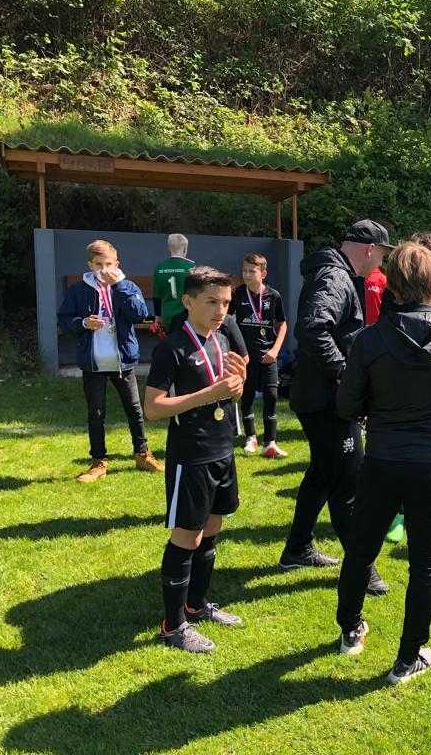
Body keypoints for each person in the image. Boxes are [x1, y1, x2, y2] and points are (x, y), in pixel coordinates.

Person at [334, 242, 431, 684]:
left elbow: (347, 404)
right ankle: (406, 657)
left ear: (394, 287)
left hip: (384, 460)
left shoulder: (369, 339)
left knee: (362, 550)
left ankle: (352, 631)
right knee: (424, 563)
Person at [280, 219, 393, 595]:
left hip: (320, 397)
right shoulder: (335, 277)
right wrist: (343, 372)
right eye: (382, 255)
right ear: (370, 249)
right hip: (327, 400)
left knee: (322, 473)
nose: (380, 264)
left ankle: (297, 548)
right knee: (348, 483)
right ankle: (362, 568)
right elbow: (312, 328)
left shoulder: (336, 274)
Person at [144, 266, 248, 653]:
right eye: (212, 302)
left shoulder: (221, 340)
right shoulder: (171, 349)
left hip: (222, 449)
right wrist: (210, 394)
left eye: (226, 303)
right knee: (187, 534)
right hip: (191, 454)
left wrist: (237, 387)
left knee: (213, 526)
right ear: (188, 301)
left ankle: (197, 604)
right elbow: (153, 408)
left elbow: (228, 394)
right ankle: (173, 626)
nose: (221, 310)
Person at [57, 239, 164, 483]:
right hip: (93, 362)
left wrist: (119, 286)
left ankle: (142, 455)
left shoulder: (127, 286)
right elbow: (65, 319)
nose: (104, 269)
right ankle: (98, 462)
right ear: (90, 265)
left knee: (134, 409)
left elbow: (138, 314)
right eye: (98, 264)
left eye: (108, 264)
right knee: (96, 413)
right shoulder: (78, 290)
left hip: (122, 361)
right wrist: (84, 323)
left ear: (117, 264)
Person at [230, 253, 289, 458]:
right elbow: (227, 321)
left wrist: (275, 350)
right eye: (244, 270)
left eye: (251, 271)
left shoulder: (274, 296)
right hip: (245, 357)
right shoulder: (237, 294)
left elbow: (282, 324)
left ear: (263, 273)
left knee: (271, 396)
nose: (246, 275)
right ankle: (251, 437)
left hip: (268, 356)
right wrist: (235, 349)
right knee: (246, 395)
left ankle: (270, 443)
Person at [152, 233, 195, 335]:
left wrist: (157, 317)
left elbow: (156, 296)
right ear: (185, 249)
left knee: (171, 341)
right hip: (187, 316)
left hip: (168, 316)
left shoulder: (159, 268)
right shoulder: (191, 268)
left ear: (169, 248)